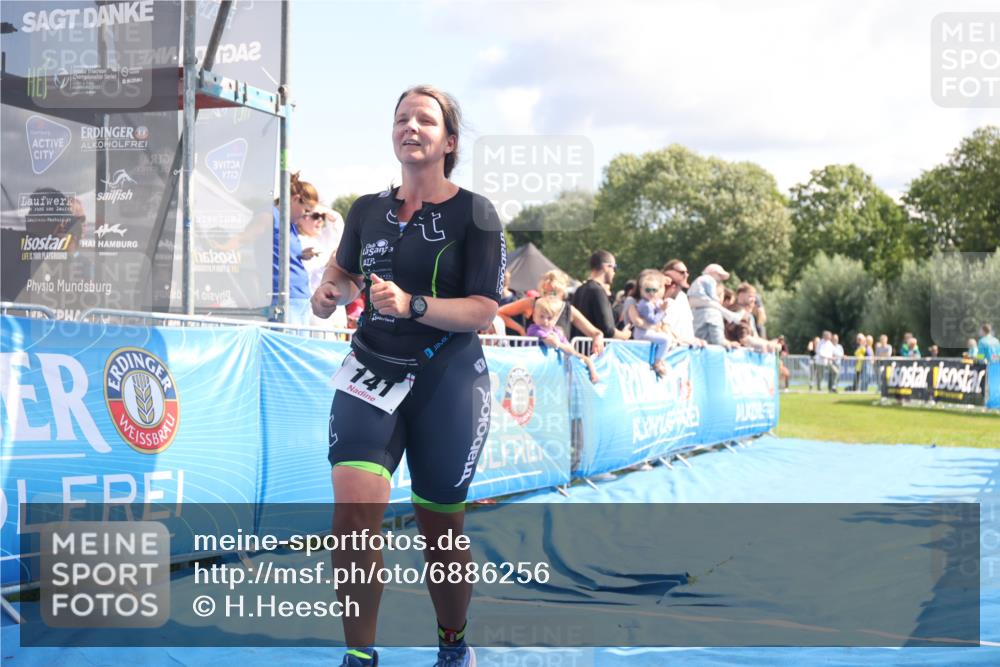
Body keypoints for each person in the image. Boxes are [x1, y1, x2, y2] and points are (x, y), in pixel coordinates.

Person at [310, 85, 505, 667]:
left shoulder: (476, 212)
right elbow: (343, 271)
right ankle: (360, 656)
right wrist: (330, 291)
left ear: (449, 141)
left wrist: (413, 305)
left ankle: (453, 644)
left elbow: (483, 310)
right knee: (352, 517)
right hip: (370, 369)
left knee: (440, 535)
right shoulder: (368, 209)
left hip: (447, 379)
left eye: (425, 119)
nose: (410, 126)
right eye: (401, 118)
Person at [498, 269, 613, 355]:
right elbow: (499, 312)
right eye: (544, 292)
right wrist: (521, 330)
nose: (548, 296)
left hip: (558, 369)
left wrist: (598, 338)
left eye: (553, 292)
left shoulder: (569, 310)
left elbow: (595, 332)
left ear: (562, 292)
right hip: (534, 363)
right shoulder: (532, 303)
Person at [527, 296, 600, 383]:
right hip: (534, 370)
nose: (545, 321)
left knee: (584, 358)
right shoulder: (533, 329)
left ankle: (593, 371)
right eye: (541, 317)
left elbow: (571, 350)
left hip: (550, 372)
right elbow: (551, 342)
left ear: (555, 319)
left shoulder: (557, 332)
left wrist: (559, 344)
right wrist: (558, 343)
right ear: (534, 316)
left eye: (549, 318)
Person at [298, 202, 347, 329]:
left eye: (322, 217)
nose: (320, 220)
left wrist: (327, 212)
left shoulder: (319, 239)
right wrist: (328, 266)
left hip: (335, 307)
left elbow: (341, 231)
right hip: (315, 309)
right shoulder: (297, 242)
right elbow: (310, 278)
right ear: (301, 217)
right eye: (315, 216)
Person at [569, 250, 633, 341]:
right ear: (606, 267)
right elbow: (608, 330)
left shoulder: (580, 289)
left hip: (579, 348)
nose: (614, 272)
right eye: (614, 267)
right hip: (593, 350)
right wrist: (625, 335)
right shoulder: (597, 291)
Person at [630, 269, 677, 378]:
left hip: (647, 331)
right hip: (642, 334)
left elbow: (659, 316)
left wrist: (661, 307)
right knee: (666, 340)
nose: (651, 293)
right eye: (648, 290)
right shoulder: (645, 304)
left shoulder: (651, 302)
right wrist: (662, 310)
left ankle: (660, 359)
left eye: (654, 290)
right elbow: (653, 320)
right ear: (642, 290)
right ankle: (657, 363)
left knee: (671, 341)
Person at [688, 263, 743, 347]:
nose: (720, 279)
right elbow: (717, 340)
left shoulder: (698, 280)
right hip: (710, 354)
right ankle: (732, 317)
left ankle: (732, 316)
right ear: (712, 272)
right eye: (719, 275)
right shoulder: (710, 280)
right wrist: (727, 343)